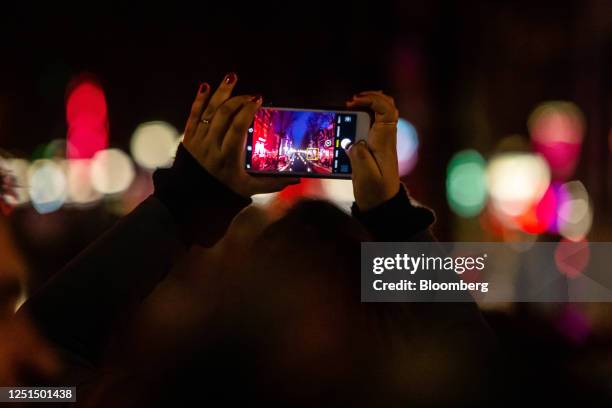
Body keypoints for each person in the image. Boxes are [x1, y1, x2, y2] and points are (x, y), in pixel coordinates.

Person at [18, 73, 494, 405]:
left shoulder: (163, 395)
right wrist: (391, 219)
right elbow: (478, 371)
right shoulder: (414, 390)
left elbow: (28, 375)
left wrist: (184, 207)